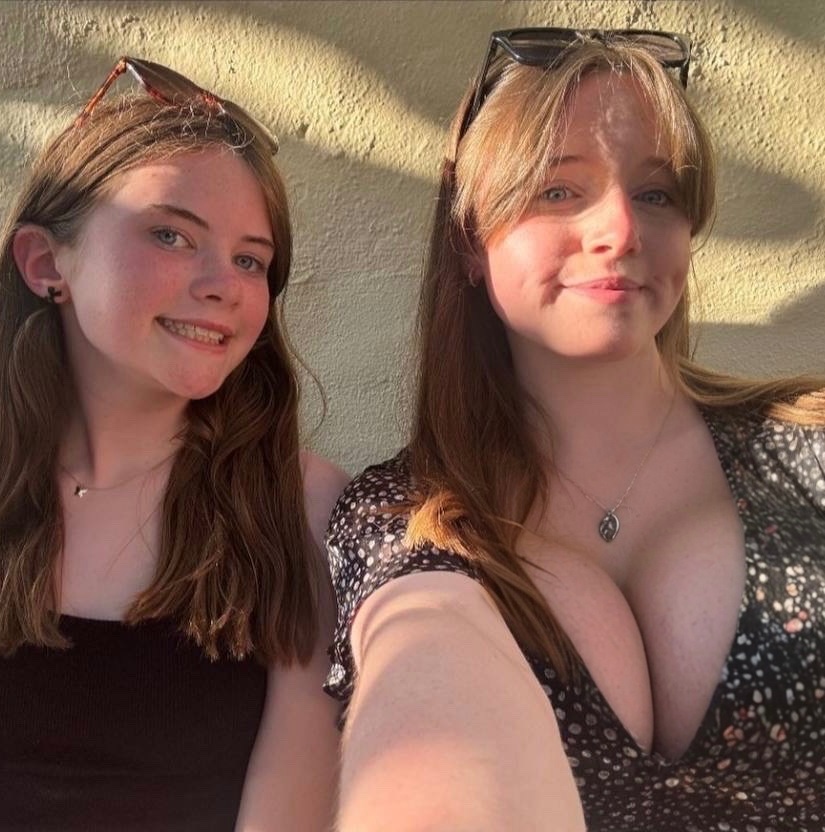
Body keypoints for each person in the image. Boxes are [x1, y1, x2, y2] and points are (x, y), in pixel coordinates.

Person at [324, 29, 825, 832]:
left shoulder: (811, 452)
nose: (619, 231)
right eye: (558, 190)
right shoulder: (402, 517)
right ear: (469, 240)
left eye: (656, 194)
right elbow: (428, 666)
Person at [0, 57, 347, 831]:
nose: (223, 283)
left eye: (251, 259)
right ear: (46, 262)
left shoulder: (302, 511)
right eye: (171, 235)